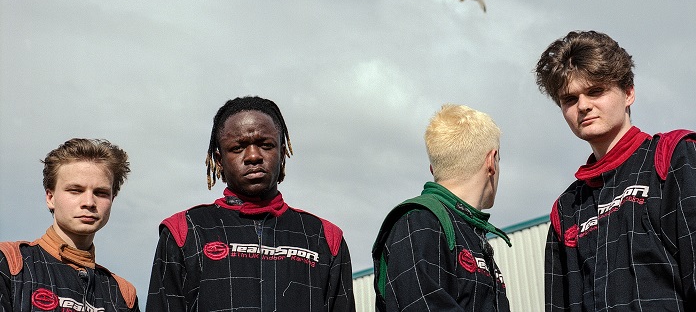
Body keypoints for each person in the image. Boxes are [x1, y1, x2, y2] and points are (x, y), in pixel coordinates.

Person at [535, 30, 696, 311]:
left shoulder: (673, 157)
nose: (583, 105)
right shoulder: (566, 210)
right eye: (569, 99)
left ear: (629, 92)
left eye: (595, 91)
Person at [146, 96, 356, 311]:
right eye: (238, 148)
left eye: (266, 145)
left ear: (282, 153)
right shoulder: (184, 231)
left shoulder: (324, 238)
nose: (253, 156)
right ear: (219, 160)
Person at [372, 104, 511, 311]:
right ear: (491, 161)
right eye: (499, 160)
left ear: (433, 170)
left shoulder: (467, 230)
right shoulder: (419, 222)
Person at [0, 138, 139, 312]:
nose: (89, 202)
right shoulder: (11, 263)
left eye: (101, 193)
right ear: (50, 197)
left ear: (112, 199)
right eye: (75, 190)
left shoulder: (123, 295)